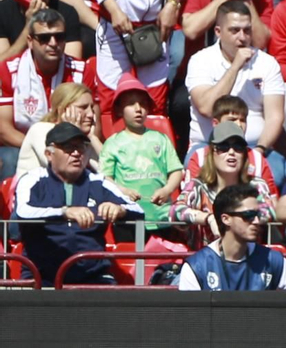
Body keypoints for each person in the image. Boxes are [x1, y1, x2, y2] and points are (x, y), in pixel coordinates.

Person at [15, 120, 142, 285]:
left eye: (80, 147)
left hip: (93, 275)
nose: (76, 153)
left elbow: (138, 210)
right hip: (41, 275)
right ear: (49, 154)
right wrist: (64, 212)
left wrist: (119, 209)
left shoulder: (98, 181)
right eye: (68, 147)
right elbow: (22, 212)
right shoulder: (32, 180)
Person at [186, 0, 286, 165]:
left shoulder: (267, 63)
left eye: (247, 31)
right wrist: (235, 66)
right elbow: (206, 108)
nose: (243, 37)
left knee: (277, 174)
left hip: (254, 146)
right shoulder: (200, 60)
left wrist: (259, 150)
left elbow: (274, 116)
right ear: (218, 32)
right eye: (235, 30)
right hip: (209, 146)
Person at [180, 181, 286, 290]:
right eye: (248, 216)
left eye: (257, 215)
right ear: (226, 219)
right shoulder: (197, 266)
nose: (256, 221)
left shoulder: (271, 259)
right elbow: (191, 319)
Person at [0, 7, 81, 178]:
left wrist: (61, 149)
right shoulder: (8, 71)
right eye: (44, 38)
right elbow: (3, 129)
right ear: (30, 41)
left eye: (59, 37)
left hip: (72, 146)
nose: (53, 43)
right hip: (22, 145)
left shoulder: (81, 71)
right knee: (8, 158)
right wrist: (41, 146)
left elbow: (94, 127)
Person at [176, 120, 276, 241]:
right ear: (211, 153)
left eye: (238, 147)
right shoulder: (198, 186)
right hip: (206, 257)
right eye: (223, 147)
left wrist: (232, 219)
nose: (231, 152)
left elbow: (269, 212)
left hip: (248, 256)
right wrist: (209, 219)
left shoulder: (256, 185)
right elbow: (175, 212)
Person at [100, 77, 182, 221]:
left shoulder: (160, 139)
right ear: (119, 110)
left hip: (160, 215)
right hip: (127, 215)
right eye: (131, 104)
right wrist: (122, 191)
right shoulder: (112, 143)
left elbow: (176, 170)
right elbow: (105, 178)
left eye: (143, 104)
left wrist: (167, 190)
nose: (138, 109)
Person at [15, 82, 100, 174]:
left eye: (91, 108)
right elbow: (64, 167)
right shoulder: (40, 129)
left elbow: (109, 171)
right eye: (83, 107)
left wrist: (92, 138)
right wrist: (71, 131)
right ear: (63, 110)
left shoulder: (86, 138)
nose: (91, 114)